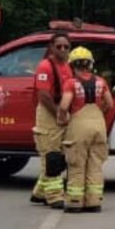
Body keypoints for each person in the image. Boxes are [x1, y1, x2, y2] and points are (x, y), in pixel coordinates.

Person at [58, 46, 113, 213]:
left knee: (76, 163)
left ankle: (75, 201)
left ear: (72, 65)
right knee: (95, 164)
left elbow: (64, 105)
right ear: (90, 64)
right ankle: (94, 202)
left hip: (79, 125)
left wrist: (62, 117)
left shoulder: (71, 83)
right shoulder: (101, 82)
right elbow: (110, 104)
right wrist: (98, 114)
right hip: (98, 124)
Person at [31, 31, 75, 209]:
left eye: (66, 46)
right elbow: (43, 95)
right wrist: (58, 112)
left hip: (60, 111)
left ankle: (40, 192)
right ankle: (54, 196)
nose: (63, 49)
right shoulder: (45, 66)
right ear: (51, 47)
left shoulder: (67, 66)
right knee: (51, 156)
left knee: (58, 153)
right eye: (59, 46)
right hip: (50, 112)